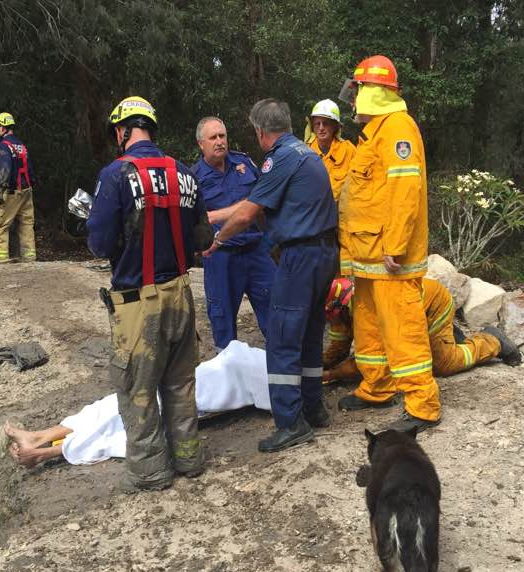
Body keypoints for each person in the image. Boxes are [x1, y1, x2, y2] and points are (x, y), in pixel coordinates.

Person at [86, 96, 213, 492]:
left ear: (122, 131)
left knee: (137, 390)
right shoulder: (185, 173)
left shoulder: (115, 175)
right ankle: (189, 459)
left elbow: (101, 245)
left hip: (139, 304)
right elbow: (203, 238)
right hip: (181, 295)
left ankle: (151, 473)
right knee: (179, 384)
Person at [209, 98, 338, 453]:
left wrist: (217, 241)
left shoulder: (279, 158)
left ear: (261, 131)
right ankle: (314, 408)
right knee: (311, 334)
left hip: (299, 256)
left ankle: (289, 422)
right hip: (325, 254)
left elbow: (249, 213)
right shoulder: (308, 155)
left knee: (282, 338)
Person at [336, 55, 441, 434]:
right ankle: (377, 386)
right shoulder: (374, 132)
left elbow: (404, 190)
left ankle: (422, 404)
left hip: (388, 257)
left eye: (357, 90)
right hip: (367, 256)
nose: (351, 99)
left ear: (371, 92)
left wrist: (395, 245)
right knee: (368, 327)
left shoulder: (398, 128)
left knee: (402, 329)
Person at [323, 276, 522, 382]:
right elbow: (339, 347)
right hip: (412, 310)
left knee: (443, 364)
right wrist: (319, 366)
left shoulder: (367, 312)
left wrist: (332, 375)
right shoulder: (340, 312)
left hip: (433, 304)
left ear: (340, 306)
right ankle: (447, 337)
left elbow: (370, 359)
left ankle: (490, 340)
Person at [191, 116, 275, 351]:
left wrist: (222, 214)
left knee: (276, 313)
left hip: (257, 251)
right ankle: (228, 380)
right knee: (222, 322)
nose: (219, 142)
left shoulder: (244, 163)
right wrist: (247, 205)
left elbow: (266, 199)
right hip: (221, 258)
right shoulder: (193, 178)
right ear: (201, 144)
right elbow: (195, 222)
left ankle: (282, 376)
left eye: (222, 136)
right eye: (213, 137)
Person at [0, 112, 36, 264]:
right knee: (26, 224)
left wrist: (0, 190)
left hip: (12, 191)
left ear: (2, 127)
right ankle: (29, 257)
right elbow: (30, 169)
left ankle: (1, 258)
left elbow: (5, 169)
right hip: (27, 191)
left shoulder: (4, 145)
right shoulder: (21, 145)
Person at [306, 99, 355, 202]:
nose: (321, 128)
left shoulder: (348, 150)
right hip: (313, 213)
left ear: (334, 126)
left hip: (340, 213)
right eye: (317, 124)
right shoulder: (305, 152)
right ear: (312, 127)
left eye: (325, 123)